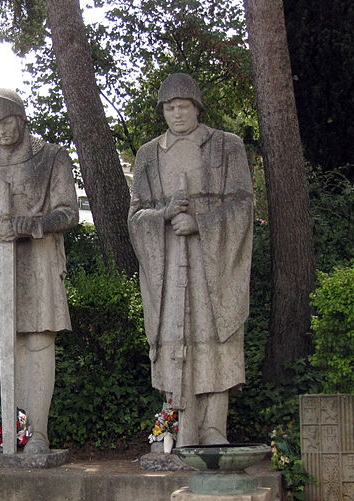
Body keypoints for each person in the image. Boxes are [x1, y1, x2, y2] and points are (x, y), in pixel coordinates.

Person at [128, 73, 253, 447]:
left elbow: (243, 205)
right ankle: (181, 428)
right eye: (169, 107)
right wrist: (163, 216)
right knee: (174, 339)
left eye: (183, 106)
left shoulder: (226, 146)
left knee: (214, 337)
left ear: (197, 107)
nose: (176, 113)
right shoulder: (148, 154)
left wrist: (200, 223)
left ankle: (215, 428)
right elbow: (135, 215)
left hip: (213, 264)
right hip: (167, 264)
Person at [0, 88, 79, 454]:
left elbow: (68, 212)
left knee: (38, 339)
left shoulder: (52, 157)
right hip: (1, 263)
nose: (1, 130)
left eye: (7, 121)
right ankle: (8, 433)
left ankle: (38, 433)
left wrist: (30, 225)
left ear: (21, 118)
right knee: (8, 342)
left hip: (40, 260)